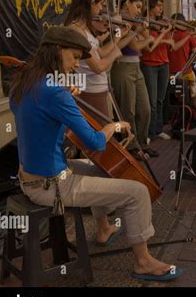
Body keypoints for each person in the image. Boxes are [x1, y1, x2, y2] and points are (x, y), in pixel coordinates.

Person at [10, 26, 182, 281]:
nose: (77, 65)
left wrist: (63, 102)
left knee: (100, 168)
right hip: (52, 185)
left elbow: (40, 123)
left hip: (29, 176)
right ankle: (143, 262)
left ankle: (103, 229)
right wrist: (113, 126)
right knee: (137, 192)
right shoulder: (56, 92)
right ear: (57, 51)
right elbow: (95, 141)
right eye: (74, 57)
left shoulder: (23, 84)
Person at [65, 0, 130, 122]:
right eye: (101, 4)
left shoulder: (85, 27)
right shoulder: (76, 30)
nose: (101, 9)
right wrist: (116, 53)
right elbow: (98, 66)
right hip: (89, 92)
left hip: (97, 89)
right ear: (91, 2)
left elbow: (101, 53)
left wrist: (119, 35)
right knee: (97, 140)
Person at [110, 0, 159, 158]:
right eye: (137, 7)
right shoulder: (118, 21)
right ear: (126, 4)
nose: (139, 11)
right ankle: (132, 146)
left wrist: (143, 30)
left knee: (145, 109)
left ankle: (142, 143)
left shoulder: (133, 22)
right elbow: (135, 45)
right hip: (122, 67)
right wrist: (136, 31)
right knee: (128, 109)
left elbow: (149, 43)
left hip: (136, 67)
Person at [141, 0, 174, 140]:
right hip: (150, 64)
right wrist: (164, 33)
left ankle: (158, 129)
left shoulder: (161, 23)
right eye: (158, 6)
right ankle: (150, 131)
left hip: (164, 62)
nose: (161, 8)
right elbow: (150, 46)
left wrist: (169, 33)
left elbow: (168, 44)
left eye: (162, 5)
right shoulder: (145, 24)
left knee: (161, 99)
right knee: (152, 101)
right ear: (151, 7)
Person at [167, 13, 196, 106]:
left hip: (169, 71)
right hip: (184, 71)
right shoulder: (189, 34)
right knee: (194, 89)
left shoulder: (167, 34)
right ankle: (194, 108)